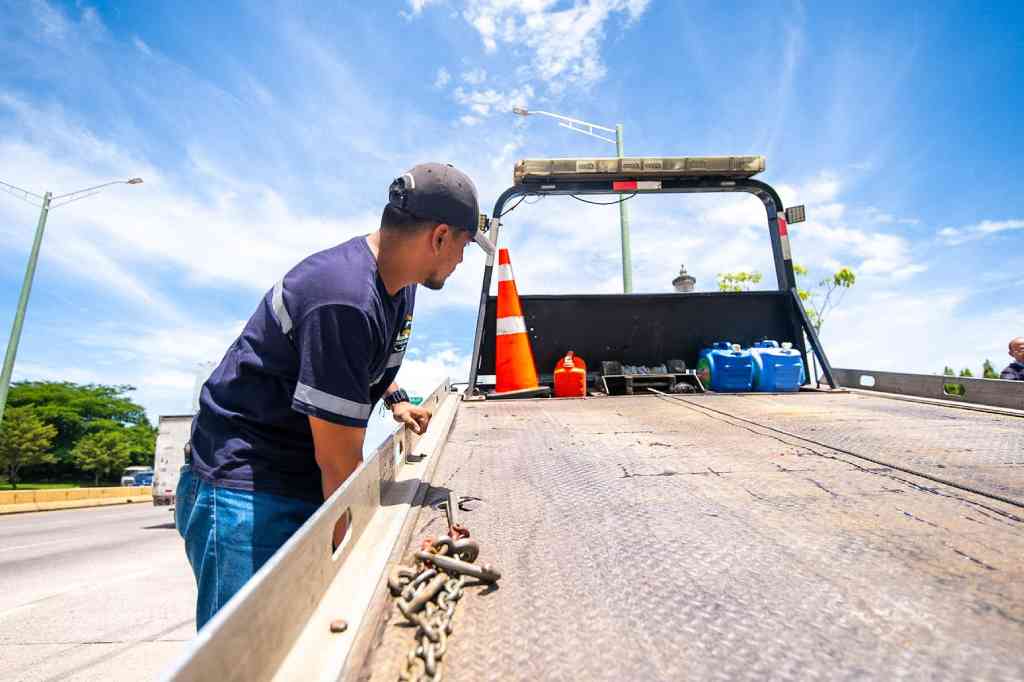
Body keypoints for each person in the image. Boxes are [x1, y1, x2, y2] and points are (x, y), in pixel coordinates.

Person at [176, 162, 484, 628]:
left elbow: (356, 363)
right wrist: (352, 568)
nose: (462, 259)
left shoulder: (399, 283)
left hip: (297, 473)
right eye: (464, 244)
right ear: (440, 237)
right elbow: (338, 463)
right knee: (249, 647)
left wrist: (395, 396)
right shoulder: (343, 298)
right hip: (246, 486)